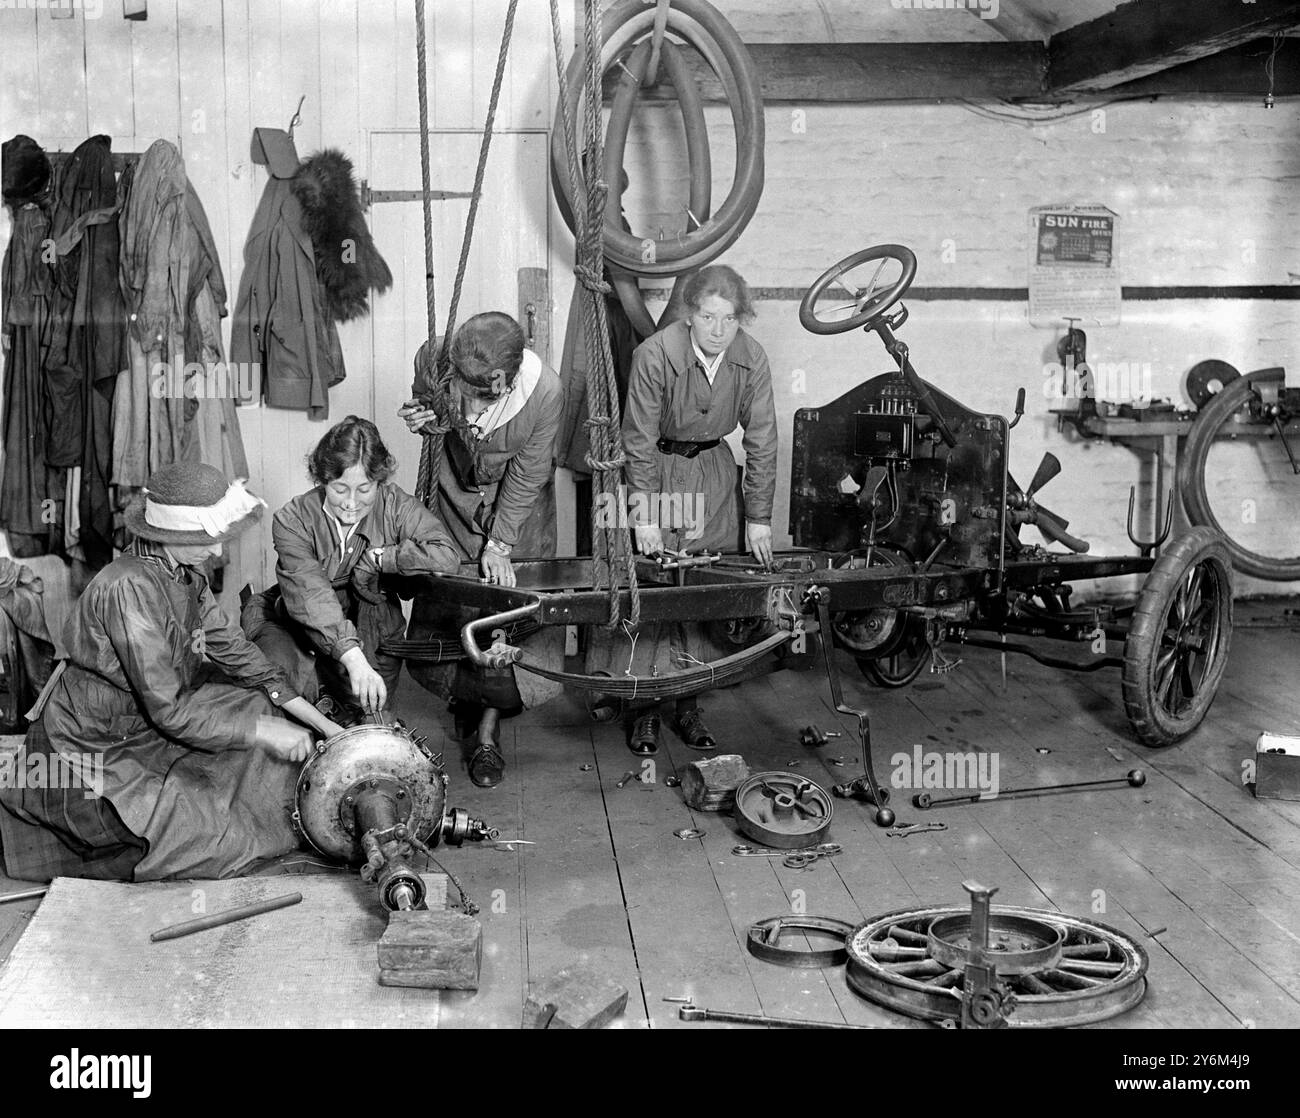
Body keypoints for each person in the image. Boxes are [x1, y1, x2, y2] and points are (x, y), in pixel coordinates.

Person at [0, 463, 345, 883]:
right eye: (205, 542)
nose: (217, 553)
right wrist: (259, 732)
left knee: (262, 710)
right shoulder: (126, 587)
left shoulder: (185, 572)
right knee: (199, 829)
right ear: (169, 536)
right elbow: (169, 712)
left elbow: (237, 653)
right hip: (94, 736)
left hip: (145, 715)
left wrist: (324, 725)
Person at [613, 263, 777, 755]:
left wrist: (760, 518)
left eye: (729, 319)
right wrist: (641, 516)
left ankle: (688, 706)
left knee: (703, 591)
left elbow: (764, 440)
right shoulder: (653, 355)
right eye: (708, 317)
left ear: (740, 318)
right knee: (649, 590)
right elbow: (636, 441)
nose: (718, 330)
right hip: (657, 472)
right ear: (689, 315)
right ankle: (642, 710)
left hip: (714, 479)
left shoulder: (752, 358)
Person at [399, 311, 563, 788]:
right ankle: (464, 703)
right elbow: (427, 408)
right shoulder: (433, 356)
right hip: (455, 494)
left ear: (509, 379)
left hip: (519, 511)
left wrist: (501, 542)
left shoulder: (546, 392)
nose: (469, 411)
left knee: (507, 610)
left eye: (482, 398)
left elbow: (529, 473)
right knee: (455, 599)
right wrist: (424, 417)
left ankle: (489, 728)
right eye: (463, 395)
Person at [242, 417, 462, 723]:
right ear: (322, 480)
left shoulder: (396, 506)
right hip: (296, 621)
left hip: (372, 620)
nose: (351, 503)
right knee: (283, 710)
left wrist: (382, 558)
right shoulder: (292, 519)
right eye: (340, 489)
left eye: (364, 489)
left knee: (370, 723)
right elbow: (311, 594)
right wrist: (353, 657)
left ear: (379, 481)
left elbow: (446, 555)